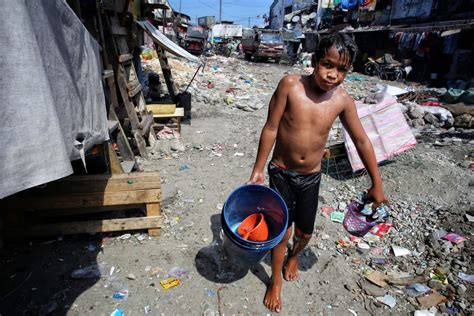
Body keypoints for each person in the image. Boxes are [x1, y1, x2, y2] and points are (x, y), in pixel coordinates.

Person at [247, 32, 388, 313]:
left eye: (341, 69)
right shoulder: (290, 85)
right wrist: (258, 169)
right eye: (327, 64)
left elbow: (361, 140)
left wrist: (377, 183)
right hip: (281, 172)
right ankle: (275, 282)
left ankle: (294, 257)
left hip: (311, 176)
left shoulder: (342, 100)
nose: (332, 75)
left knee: (305, 233)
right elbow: (271, 127)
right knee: (281, 232)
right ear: (314, 60)